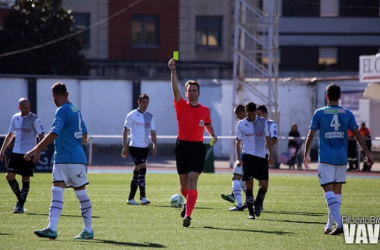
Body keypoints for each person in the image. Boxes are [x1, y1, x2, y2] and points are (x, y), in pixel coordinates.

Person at [24, 82, 93, 240]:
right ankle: (52, 228)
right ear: (67, 94)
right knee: (57, 190)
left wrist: (36, 149)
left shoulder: (61, 110)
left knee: (80, 193)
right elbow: (85, 132)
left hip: (69, 159)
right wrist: (78, 146)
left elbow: (53, 133)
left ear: (53, 96)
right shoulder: (76, 109)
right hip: (66, 158)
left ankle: (88, 230)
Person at [303, 83, 374, 236]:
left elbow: (310, 135)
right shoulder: (347, 113)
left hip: (326, 158)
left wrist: (305, 154)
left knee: (327, 191)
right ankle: (329, 225)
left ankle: (340, 223)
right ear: (340, 96)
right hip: (341, 158)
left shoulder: (320, 113)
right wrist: (368, 153)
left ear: (326, 96)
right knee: (336, 194)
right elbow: (358, 135)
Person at [168, 58, 218, 227]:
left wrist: (213, 135)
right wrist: (173, 71)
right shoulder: (181, 105)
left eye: (194, 90)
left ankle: (188, 215)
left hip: (197, 148)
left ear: (199, 93)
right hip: (182, 147)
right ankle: (186, 202)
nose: (191, 93)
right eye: (189, 91)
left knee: (193, 181)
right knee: (183, 186)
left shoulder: (205, 110)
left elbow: (208, 126)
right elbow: (175, 89)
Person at [0, 98, 44, 213]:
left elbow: (42, 137)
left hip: (28, 153)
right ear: (19, 107)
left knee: (25, 178)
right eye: (25, 107)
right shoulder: (15, 118)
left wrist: (37, 153)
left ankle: (19, 206)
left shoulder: (34, 119)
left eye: (29, 107)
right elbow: (10, 135)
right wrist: (3, 148)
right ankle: (20, 201)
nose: (27, 109)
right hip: (15, 152)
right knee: (9, 176)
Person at [236, 102, 273, 220]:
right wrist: (239, 158)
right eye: (249, 115)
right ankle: (251, 212)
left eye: (253, 115)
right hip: (248, 156)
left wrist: (271, 155)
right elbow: (238, 142)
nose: (251, 117)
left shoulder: (262, 122)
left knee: (265, 186)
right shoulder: (241, 124)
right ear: (246, 112)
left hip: (261, 157)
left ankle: (258, 202)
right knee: (249, 184)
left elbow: (267, 138)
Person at [121, 93, 157, 205]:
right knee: (143, 169)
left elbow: (153, 132)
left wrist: (155, 145)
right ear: (139, 102)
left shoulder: (149, 116)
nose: (145, 105)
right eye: (143, 102)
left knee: (137, 172)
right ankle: (143, 198)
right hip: (135, 147)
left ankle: (131, 198)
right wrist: (124, 147)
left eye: (147, 103)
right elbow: (125, 131)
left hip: (144, 147)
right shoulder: (132, 115)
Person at [221, 104, 247, 211]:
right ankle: (253, 201)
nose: (236, 117)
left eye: (236, 114)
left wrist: (239, 158)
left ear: (241, 113)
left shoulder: (241, 123)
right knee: (242, 181)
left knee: (235, 178)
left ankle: (239, 205)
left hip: (245, 155)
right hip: (255, 156)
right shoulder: (255, 123)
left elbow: (238, 142)